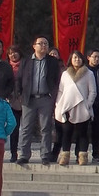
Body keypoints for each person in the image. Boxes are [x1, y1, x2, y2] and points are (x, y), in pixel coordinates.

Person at [16, 36, 62, 166]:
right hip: (29, 98)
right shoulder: (26, 61)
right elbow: (19, 78)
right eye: (40, 43)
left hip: (45, 98)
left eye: (45, 44)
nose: (43, 46)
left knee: (46, 128)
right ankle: (24, 154)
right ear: (34, 46)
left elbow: (56, 79)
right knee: (26, 128)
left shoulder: (52, 62)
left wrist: (53, 95)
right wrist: (19, 94)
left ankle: (45, 155)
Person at [54, 51, 97, 166]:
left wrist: (88, 104)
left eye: (79, 58)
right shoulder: (65, 74)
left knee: (82, 133)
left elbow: (92, 91)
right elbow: (60, 91)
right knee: (66, 132)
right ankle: (65, 156)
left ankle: (82, 156)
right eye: (74, 58)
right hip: (67, 107)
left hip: (82, 108)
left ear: (83, 59)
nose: (77, 60)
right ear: (70, 59)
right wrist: (59, 104)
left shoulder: (88, 74)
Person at [85, 49, 99, 163]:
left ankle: (96, 155)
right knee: (83, 130)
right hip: (85, 104)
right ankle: (81, 153)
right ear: (88, 57)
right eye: (94, 56)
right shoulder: (83, 70)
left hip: (98, 104)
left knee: (96, 131)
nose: (97, 59)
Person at [5, 45, 23, 163]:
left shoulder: (25, 65)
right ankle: (13, 152)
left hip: (25, 100)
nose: (13, 55)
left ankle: (25, 153)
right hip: (11, 100)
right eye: (11, 53)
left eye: (15, 52)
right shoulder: (6, 67)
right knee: (14, 128)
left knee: (26, 128)